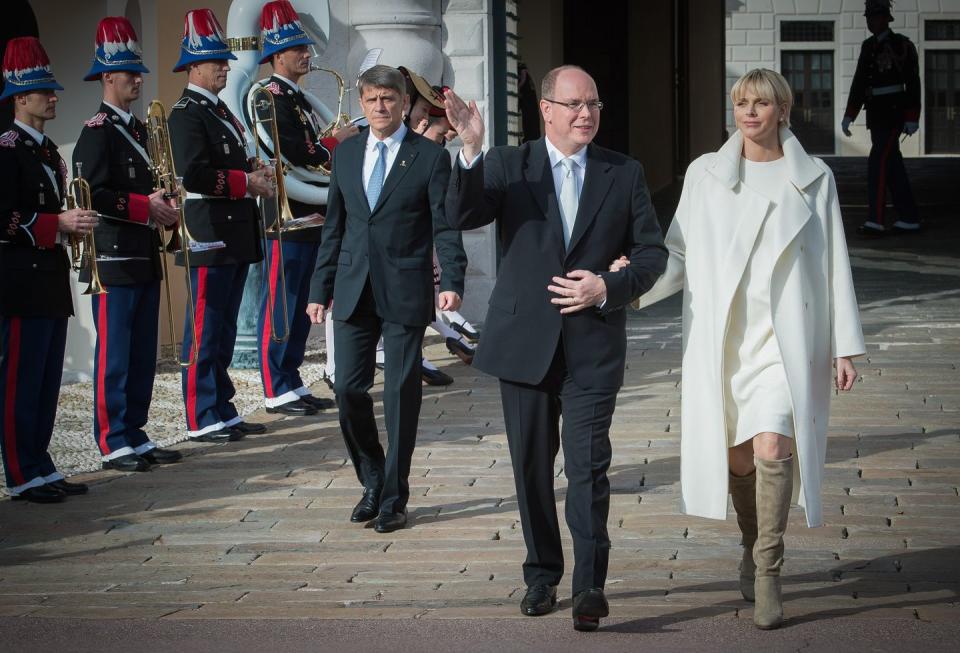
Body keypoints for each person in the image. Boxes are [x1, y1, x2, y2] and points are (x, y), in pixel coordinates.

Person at [632, 68, 864, 630]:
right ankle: (750, 540)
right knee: (737, 456)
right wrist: (627, 288)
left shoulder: (814, 178)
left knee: (772, 445)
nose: (750, 112)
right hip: (727, 336)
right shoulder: (706, 175)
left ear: (783, 110)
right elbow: (679, 252)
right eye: (741, 103)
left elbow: (835, 259)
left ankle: (769, 570)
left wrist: (844, 345)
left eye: (761, 103)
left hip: (788, 340)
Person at [443, 65, 667, 631]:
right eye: (573, 104)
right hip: (524, 344)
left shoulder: (624, 172)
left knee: (589, 467)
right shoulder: (509, 166)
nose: (585, 113)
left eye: (593, 103)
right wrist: (470, 148)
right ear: (546, 109)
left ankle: (591, 584)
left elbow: (651, 253)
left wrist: (607, 287)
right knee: (531, 468)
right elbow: (463, 214)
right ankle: (542, 575)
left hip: (592, 344)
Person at [306, 65, 466, 534]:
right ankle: (372, 479)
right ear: (362, 103)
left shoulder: (430, 158)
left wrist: (452, 279)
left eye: (389, 99)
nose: (380, 106)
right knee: (348, 389)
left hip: (404, 289)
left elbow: (445, 224)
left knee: (399, 394)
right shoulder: (346, 154)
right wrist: (320, 289)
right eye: (372, 99)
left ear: (402, 104)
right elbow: (334, 226)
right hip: (353, 290)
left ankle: (394, 496)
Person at [73, 17, 183, 473]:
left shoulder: (140, 130)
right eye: (127, 72)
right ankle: (112, 439)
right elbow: (90, 193)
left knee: (141, 354)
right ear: (106, 77)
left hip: (143, 254)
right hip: (113, 256)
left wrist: (166, 203)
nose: (137, 78)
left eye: (138, 71)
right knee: (115, 353)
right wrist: (144, 207)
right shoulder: (96, 132)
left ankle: (135, 432)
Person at [168, 8, 276, 443]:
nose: (224, 67)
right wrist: (244, 181)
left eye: (224, 60)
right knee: (205, 328)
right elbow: (192, 173)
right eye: (215, 61)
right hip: (208, 232)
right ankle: (200, 413)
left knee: (225, 327)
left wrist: (254, 169)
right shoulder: (186, 113)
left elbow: (230, 160)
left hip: (231, 232)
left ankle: (221, 405)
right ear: (194, 66)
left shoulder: (220, 112)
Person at [0, 37, 99, 502]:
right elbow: (5, 218)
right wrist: (54, 224)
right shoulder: (7, 148)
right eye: (45, 91)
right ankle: (21, 473)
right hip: (19, 283)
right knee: (20, 381)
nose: (54, 96)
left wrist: (68, 229)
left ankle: (41, 464)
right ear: (21, 98)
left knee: (44, 381)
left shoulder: (45, 153)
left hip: (48, 279)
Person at [254, 0, 358, 417]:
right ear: (277, 55)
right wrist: (338, 142)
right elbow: (294, 152)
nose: (306, 54)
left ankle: (291, 379)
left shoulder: (295, 98)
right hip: (289, 215)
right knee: (282, 300)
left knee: (302, 303)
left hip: (311, 214)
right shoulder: (268, 96)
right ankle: (274, 385)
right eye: (297, 48)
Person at [842, 0, 921, 236]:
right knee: (892, 165)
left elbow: (913, 82)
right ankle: (909, 217)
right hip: (876, 114)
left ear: (886, 19)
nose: (870, 21)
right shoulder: (868, 46)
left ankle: (875, 220)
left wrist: (912, 116)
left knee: (877, 163)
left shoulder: (901, 45)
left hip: (895, 113)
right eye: (868, 17)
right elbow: (859, 82)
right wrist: (850, 114)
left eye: (875, 17)